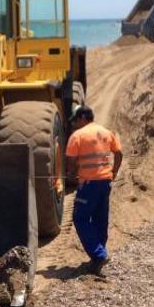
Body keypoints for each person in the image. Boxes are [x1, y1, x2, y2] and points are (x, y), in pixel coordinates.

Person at [65, 104, 123, 276]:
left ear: (83, 117)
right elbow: (119, 154)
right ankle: (98, 259)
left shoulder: (77, 136)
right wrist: (114, 172)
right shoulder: (106, 132)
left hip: (89, 184)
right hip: (105, 183)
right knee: (100, 219)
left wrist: (71, 175)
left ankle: (99, 255)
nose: (74, 124)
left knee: (80, 218)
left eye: (75, 120)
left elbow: (71, 161)